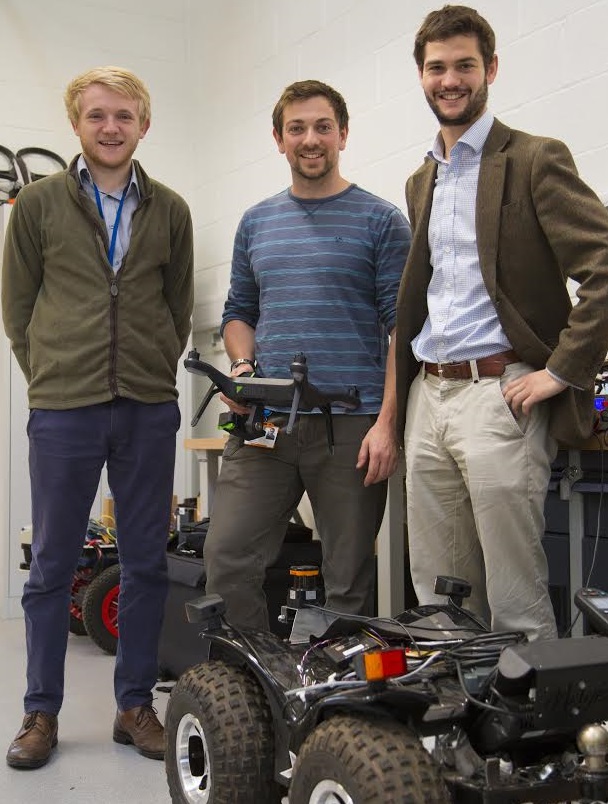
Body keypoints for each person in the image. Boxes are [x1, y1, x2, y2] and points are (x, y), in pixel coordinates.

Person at [395, 5, 608, 641]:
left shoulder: (533, 159)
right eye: (437, 67)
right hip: (428, 394)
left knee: (514, 594)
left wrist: (561, 371)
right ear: (420, 76)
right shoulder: (421, 180)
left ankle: (528, 734)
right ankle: (456, 727)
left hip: (499, 394)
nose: (451, 79)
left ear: (490, 68)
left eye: (464, 65)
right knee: (438, 589)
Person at [2, 66, 194, 769]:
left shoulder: (170, 208)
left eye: (124, 115)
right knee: (51, 567)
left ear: (144, 124)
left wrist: (147, 370)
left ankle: (135, 704)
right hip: (64, 410)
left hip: (147, 410)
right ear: (76, 124)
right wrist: (54, 375)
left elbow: (176, 312)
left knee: (145, 563)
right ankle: (40, 712)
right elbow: (18, 311)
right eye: (97, 116)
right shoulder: (38, 206)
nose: (110, 127)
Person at [205, 79, 411, 631]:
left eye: (323, 126)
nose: (310, 138)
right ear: (279, 139)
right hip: (266, 423)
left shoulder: (382, 220)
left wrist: (387, 424)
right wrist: (243, 369)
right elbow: (238, 312)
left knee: (347, 579)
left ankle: (334, 702)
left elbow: (403, 330)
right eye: (297, 128)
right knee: (226, 558)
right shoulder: (256, 222)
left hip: (351, 426)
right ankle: (254, 687)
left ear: (343, 134)